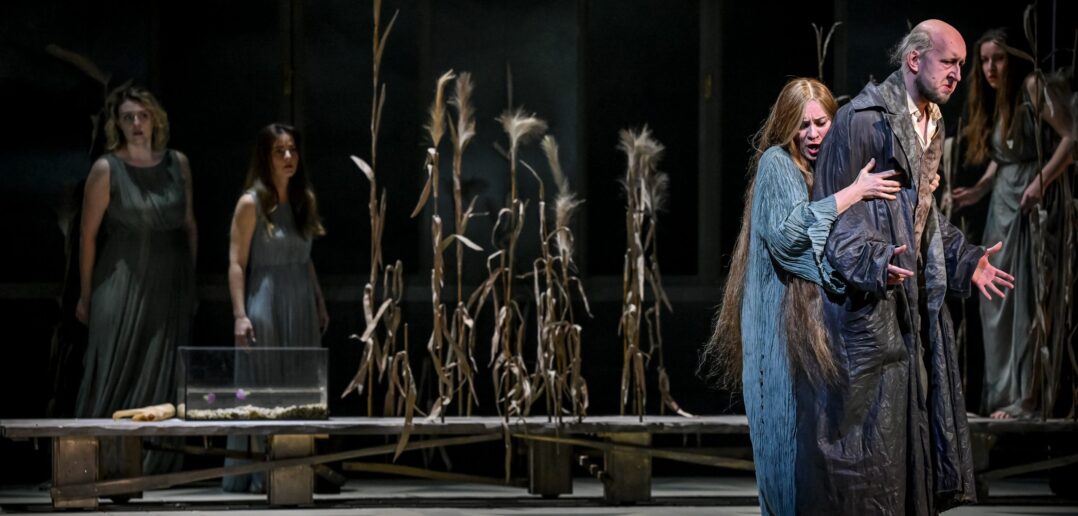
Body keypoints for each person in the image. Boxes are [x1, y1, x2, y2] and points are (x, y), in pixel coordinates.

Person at [809, 20, 1015, 514]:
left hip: (910, 304)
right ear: (914, 60)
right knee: (867, 459)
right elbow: (834, 215)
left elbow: (920, 216)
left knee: (909, 451)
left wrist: (966, 261)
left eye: (962, 65)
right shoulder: (862, 120)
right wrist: (875, 261)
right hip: (864, 310)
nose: (959, 75)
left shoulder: (931, 121)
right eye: (950, 63)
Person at [699, 77, 903, 515]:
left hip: (810, 336)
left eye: (821, 122)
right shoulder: (778, 164)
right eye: (802, 125)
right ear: (786, 127)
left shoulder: (825, 170)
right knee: (785, 458)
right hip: (778, 337)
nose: (812, 134)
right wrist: (854, 193)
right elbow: (791, 238)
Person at [953, 28, 1075, 419]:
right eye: (985, 60)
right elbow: (1002, 156)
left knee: (1026, 300)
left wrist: (1042, 182)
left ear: (1014, 59)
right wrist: (978, 190)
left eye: (998, 58)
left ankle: (1025, 398)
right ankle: (1001, 395)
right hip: (1001, 209)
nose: (990, 67)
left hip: (1029, 206)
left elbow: (1071, 138)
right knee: (997, 302)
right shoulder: (1001, 101)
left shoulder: (1032, 86)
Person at [75, 86, 197, 474]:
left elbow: (190, 224)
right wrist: (85, 293)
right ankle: (89, 463)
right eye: (128, 117)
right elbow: (87, 235)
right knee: (113, 367)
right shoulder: (107, 168)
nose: (136, 124)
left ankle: (151, 466)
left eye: (142, 115)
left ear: (155, 119)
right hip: (121, 280)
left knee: (158, 370)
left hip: (168, 282)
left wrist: (190, 280)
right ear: (117, 124)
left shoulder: (178, 163)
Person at [223, 123, 328, 493]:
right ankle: (259, 472)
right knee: (263, 385)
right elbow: (236, 261)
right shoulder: (252, 202)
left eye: (292, 150)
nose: (288, 158)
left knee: (300, 383)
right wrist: (240, 315)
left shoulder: (304, 200)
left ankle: (295, 468)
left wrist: (317, 297)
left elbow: (305, 256)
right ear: (265, 157)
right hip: (265, 298)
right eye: (279, 151)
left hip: (299, 297)